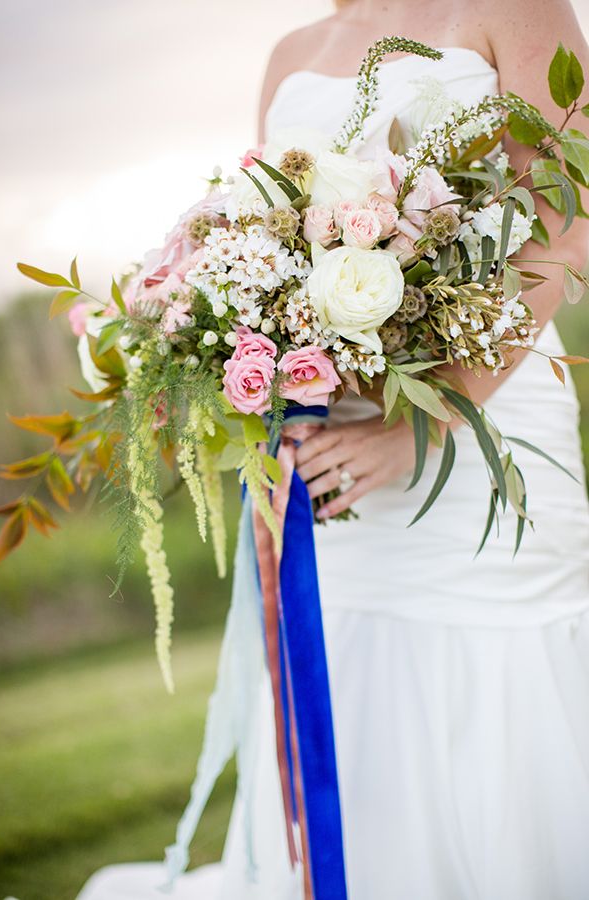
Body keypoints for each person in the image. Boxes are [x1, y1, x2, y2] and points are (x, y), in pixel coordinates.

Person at [78, 1, 589, 897]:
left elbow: (572, 225)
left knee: (496, 681)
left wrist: (425, 423)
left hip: (487, 431)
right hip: (330, 458)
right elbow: (265, 240)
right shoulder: (292, 54)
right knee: (350, 699)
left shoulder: (517, 7)